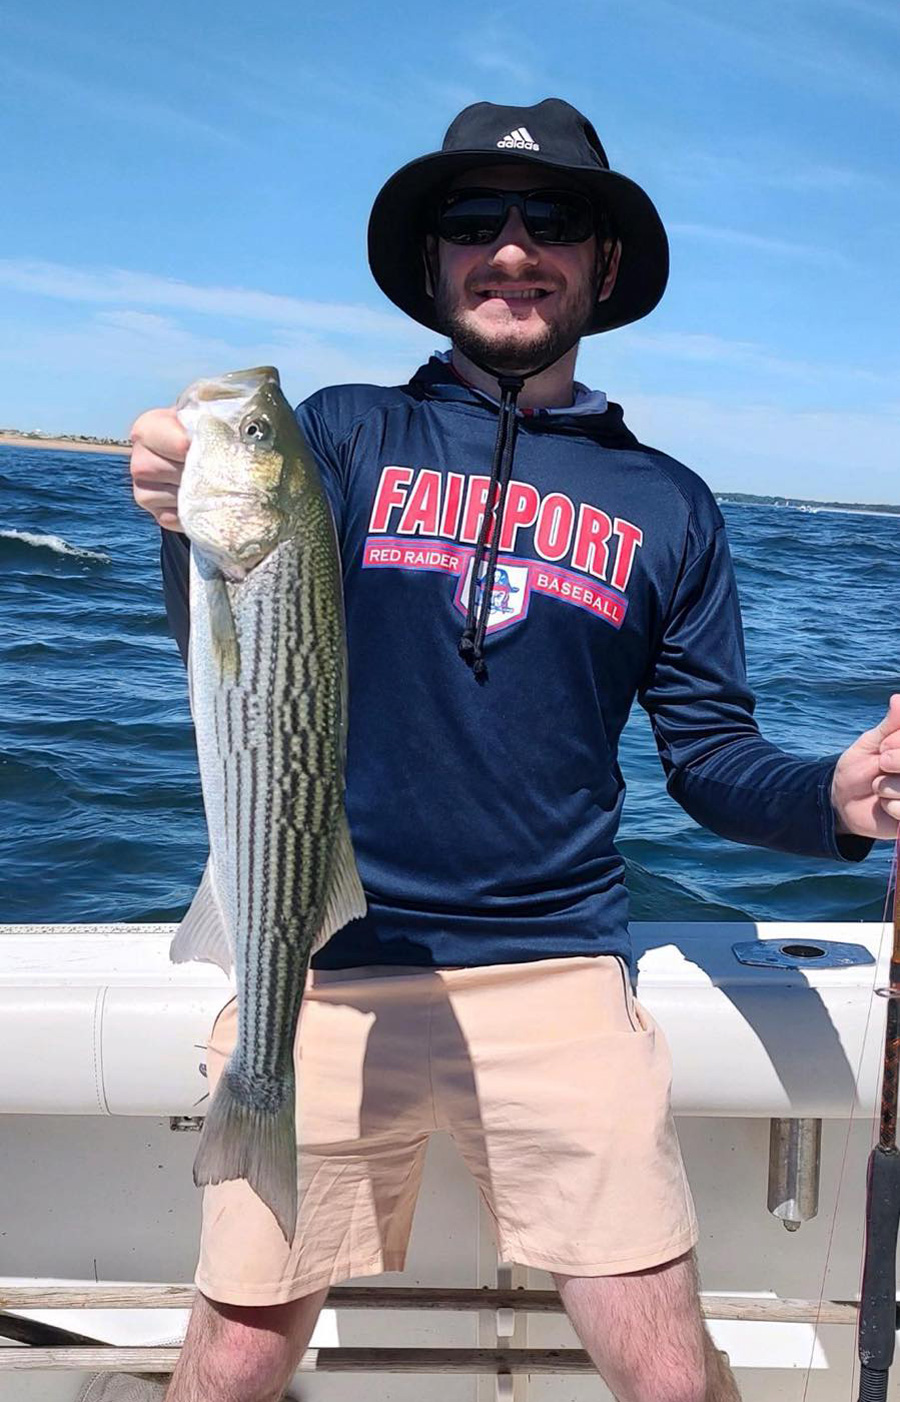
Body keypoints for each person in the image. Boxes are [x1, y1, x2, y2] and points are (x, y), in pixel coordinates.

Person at [130, 99, 900, 1402]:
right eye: (473, 217)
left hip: (558, 968)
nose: (511, 246)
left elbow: (711, 758)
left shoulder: (669, 503)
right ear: (433, 259)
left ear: (603, 263)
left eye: (554, 219)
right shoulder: (342, 436)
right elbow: (236, 637)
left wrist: (836, 793)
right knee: (235, 1359)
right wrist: (176, 509)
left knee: (671, 1376)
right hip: (322, 970)